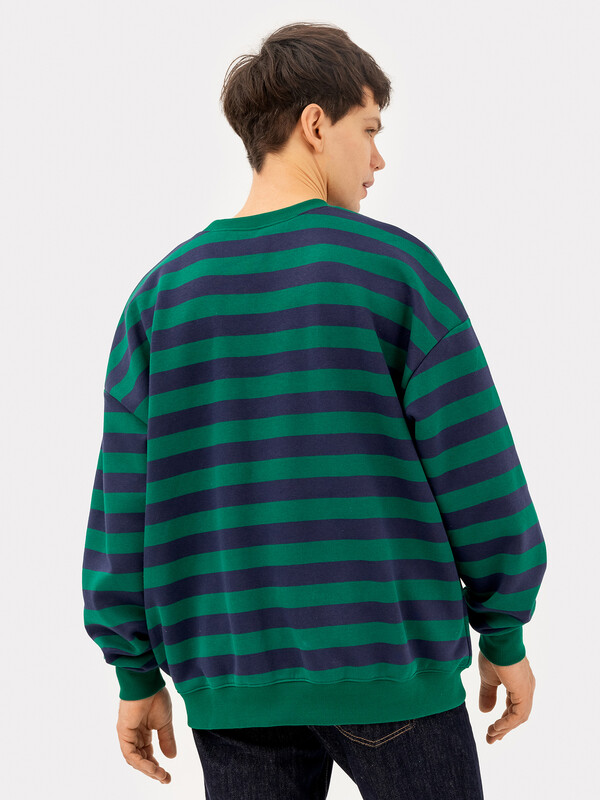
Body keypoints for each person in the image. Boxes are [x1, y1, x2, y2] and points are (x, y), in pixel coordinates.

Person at [82, 21, 547, 800]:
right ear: (315, 124)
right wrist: (504, 630)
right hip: (389, 667)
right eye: (370, 130)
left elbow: (121, 506)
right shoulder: (393, 269)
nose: (378, 159)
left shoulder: (160, 298)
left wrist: (135, 673)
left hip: (232, 684)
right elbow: (476, 468)